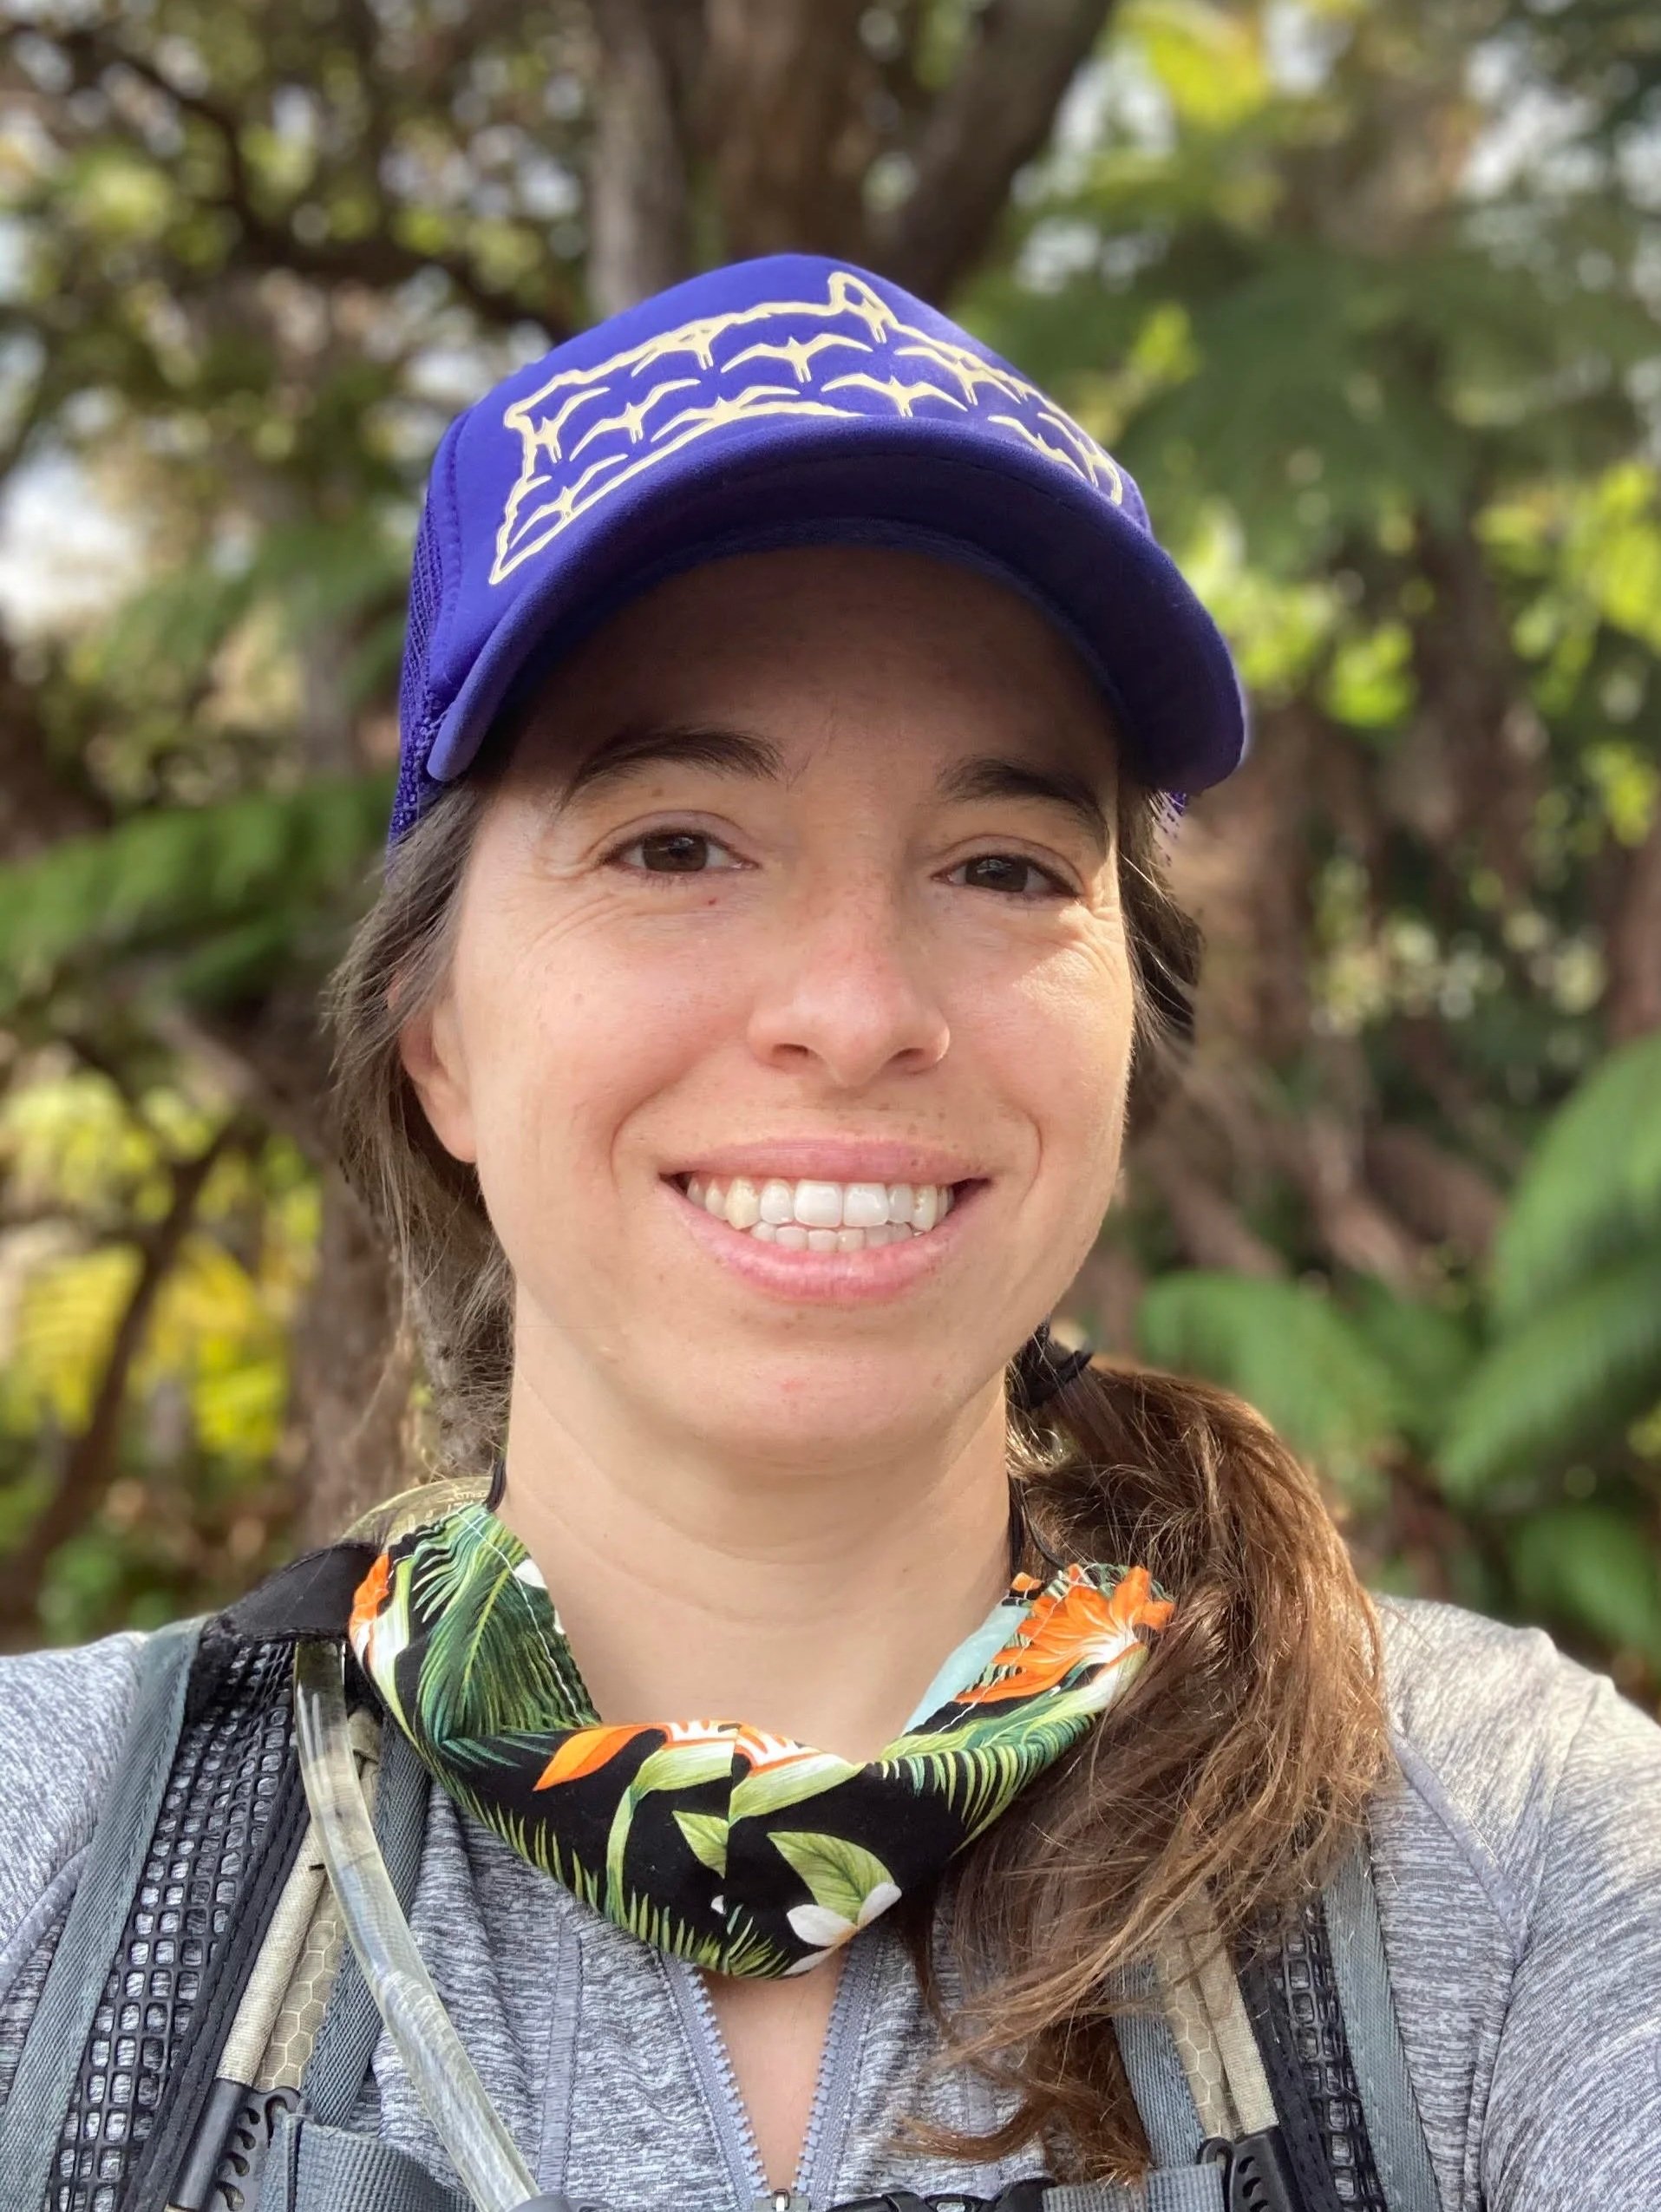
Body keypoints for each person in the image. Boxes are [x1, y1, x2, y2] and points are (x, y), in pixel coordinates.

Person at [1, 254, 1658, 2212]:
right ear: (438, 1043)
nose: (856, 1004)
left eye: (1000, 865)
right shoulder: (59, 1863)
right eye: (676, 845)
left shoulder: (1508, 1848)